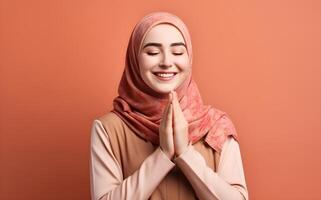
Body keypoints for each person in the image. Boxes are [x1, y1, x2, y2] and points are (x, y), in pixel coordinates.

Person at [90, 11, 249, 200]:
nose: (166, 62)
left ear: (189, 58)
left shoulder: (217, 127)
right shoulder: (108, 129)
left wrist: (185, 154)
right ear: (134, 59)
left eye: (178, 52)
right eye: (153, 52)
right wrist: (163, 155)